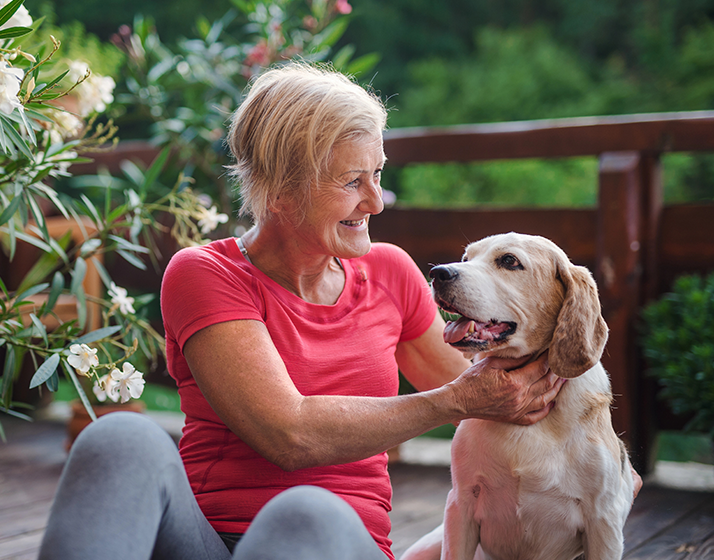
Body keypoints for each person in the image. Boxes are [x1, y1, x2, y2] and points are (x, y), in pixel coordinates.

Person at [37, 63, 566, 560]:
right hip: (206, 541)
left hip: (334, 541)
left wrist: (598, 450)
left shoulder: (391, 273)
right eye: (351, 181)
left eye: (378, 173)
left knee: (304, 512)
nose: (376, 201)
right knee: (119, 438)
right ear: (281, 192)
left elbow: (502, 393)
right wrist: (450, 402)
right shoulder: (206, 274)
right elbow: (289, 434)